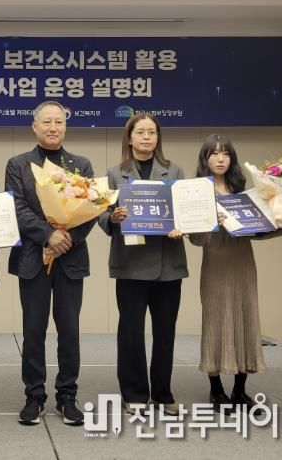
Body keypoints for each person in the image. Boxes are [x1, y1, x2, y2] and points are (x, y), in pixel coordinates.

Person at [189, 134, 282, 414]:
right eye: (214, 153)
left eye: (225, 153)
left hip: (243, 263)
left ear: (232, 158)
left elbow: (257, 231)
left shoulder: (244, 191)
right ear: (205, 159)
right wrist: (210, 223)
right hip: (215, 264)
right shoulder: (196, 192)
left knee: (246, 319)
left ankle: (240, 390)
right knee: (215, 321)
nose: (220, 159)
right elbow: (195, 240)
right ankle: (216, 390)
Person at [5, 100, 96, 426]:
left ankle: (67, 396)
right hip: (32, 259)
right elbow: (16, 208)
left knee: (69, 330)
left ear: (65, 127)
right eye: (47, 122)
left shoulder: (81, 165)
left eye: (59, 121)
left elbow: (91, 209)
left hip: (70, 259)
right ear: (34, 127)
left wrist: (64, 239)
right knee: (33, 330)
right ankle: (34, 396)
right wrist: (48, 235)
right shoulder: (18, 164)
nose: (53, 127)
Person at [99, 112, 187, 416]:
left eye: (152, 132)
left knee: (165, 331)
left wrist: (181, 225)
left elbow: (184, 210)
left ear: (158, 138)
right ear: (129, 138)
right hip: (130, 264)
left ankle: (163, 393)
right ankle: (134, 393)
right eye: (140, 132)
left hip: (168, 264)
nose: (146, 137)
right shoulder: (114, 173)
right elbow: (100, 214)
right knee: (131, 332)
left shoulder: (175, 171)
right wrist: (113, 217)